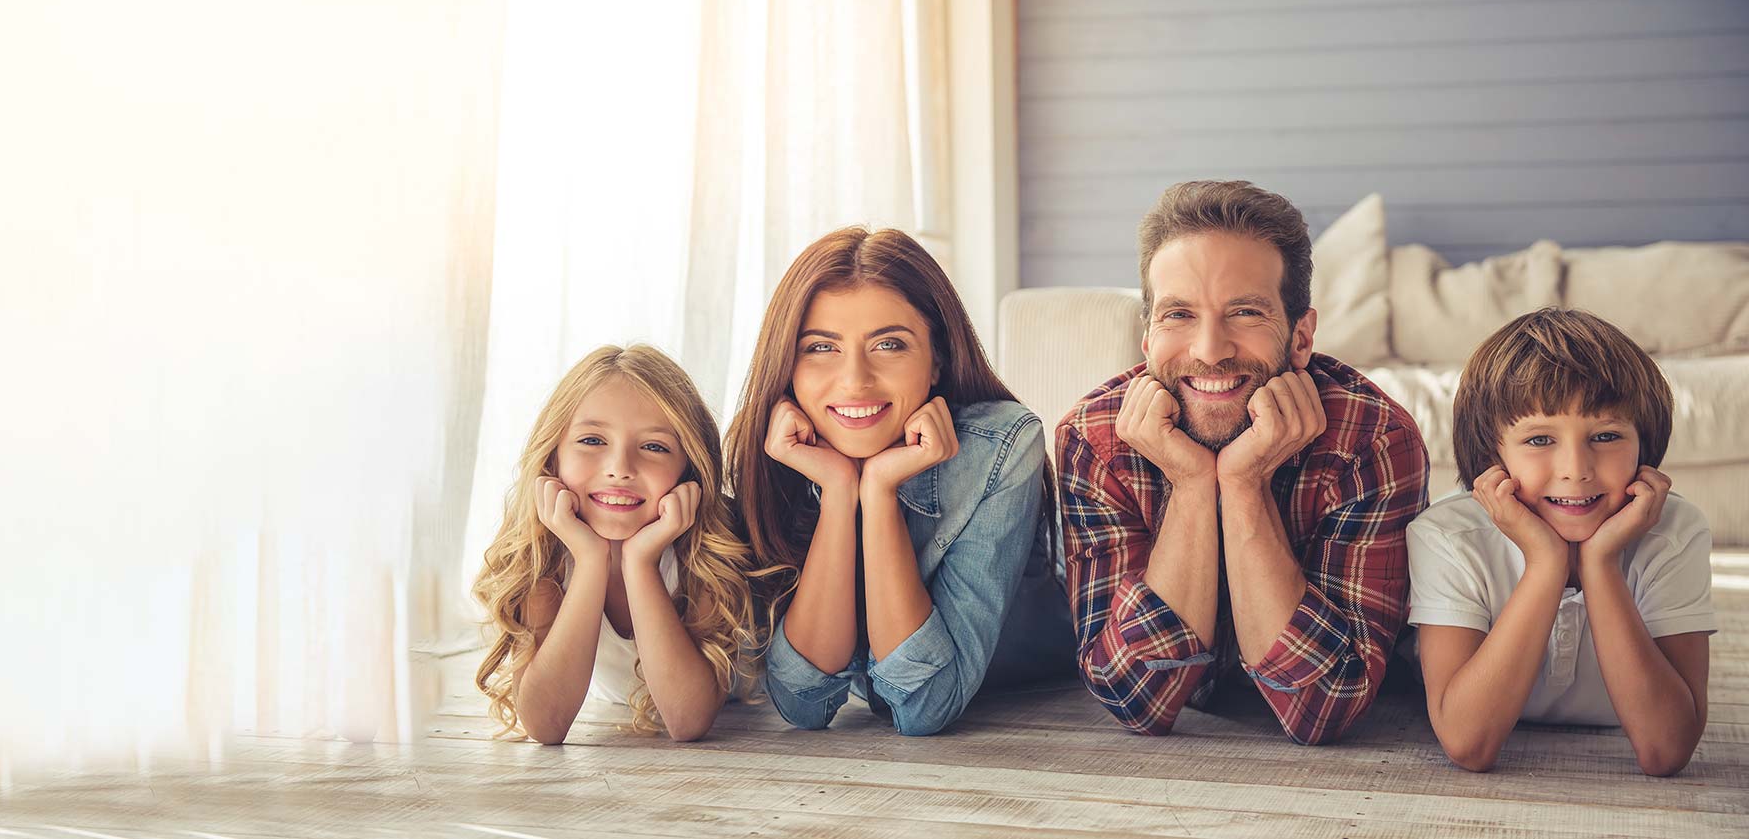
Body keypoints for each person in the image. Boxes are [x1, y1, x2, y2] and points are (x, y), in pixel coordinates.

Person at [1058, 180, 1430, 744]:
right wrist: (1190, 483)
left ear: (1301, 337)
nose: (1209, 349)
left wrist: (1244, 482)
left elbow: (1325, 707)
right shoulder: (1092, 439)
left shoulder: (1374, 441)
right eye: (1178, 314)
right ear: (1146, 337)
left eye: (1246, 312)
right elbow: (1134, 694)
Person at [725, 226, 1072, 736]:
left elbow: (924, 707)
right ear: (789, 366)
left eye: (889, 344)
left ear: (937, 360)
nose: (855, 380)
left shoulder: (1000, 445)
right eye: (821, 347)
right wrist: (842, 493)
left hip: (1040, 697)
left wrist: (880, 492)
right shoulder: (787, 450)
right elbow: (803, 703)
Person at [1408, 308, 1714, 775]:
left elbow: (1666, 749)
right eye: (1539, 440)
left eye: (1606, 435)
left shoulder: (1675, 532)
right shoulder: (1448, 536)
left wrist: (1601, 564)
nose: (1576, 468)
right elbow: (1467, 743)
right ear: (1493, 454)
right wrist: (1546, 563)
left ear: (1645, 446)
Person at [470, 344, 762, 743]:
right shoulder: (545, 555)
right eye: (592, 441)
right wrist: (590, 560)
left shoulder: (707, 550)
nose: (620, 469)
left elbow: (687, 720)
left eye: (654, 447)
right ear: (553, 457)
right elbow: (545, 725)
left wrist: (640, 563)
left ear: (688, 470)